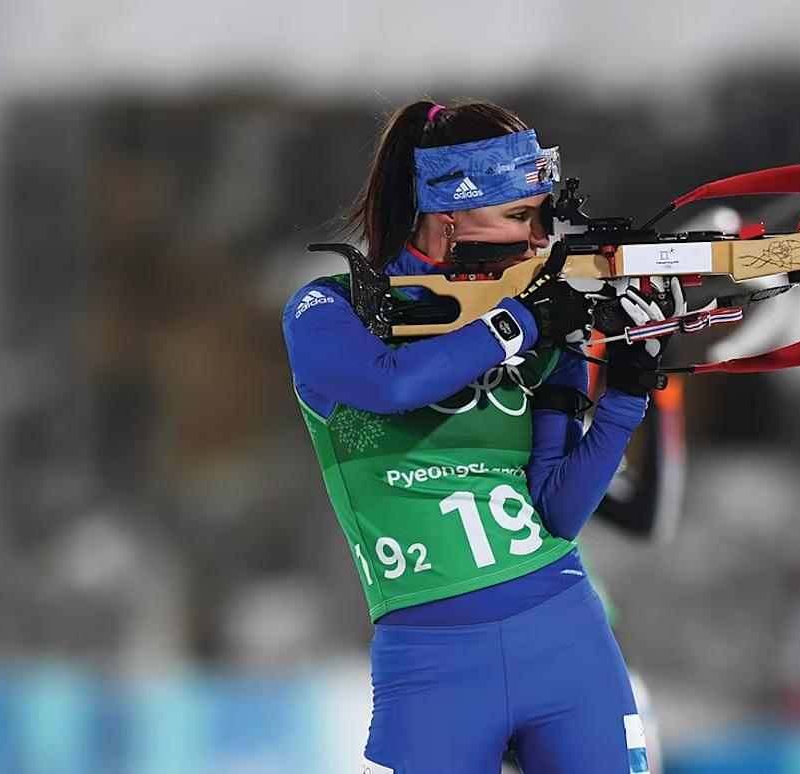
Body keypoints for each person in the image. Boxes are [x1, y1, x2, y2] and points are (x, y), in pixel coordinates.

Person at [282, 99, 662, 774]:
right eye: (519, 215)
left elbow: (557, 511)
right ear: (448, 213)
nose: (538, 239)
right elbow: (391, 383)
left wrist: (628, 395)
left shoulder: (543, 324)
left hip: (566, 630)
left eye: (542, 217)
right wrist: (518, 324)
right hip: (430, 665)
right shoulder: (332, 308)